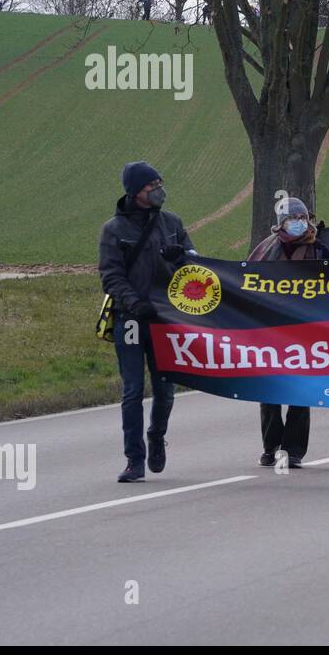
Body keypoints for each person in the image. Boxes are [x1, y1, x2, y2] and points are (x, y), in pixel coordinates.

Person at [98, 161, 195, 483]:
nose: (158, 190)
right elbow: (110, 275)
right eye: (151, 185)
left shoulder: (172, 222)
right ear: (135, 191)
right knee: (132, 390)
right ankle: (133, 459)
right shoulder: (114, 229)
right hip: (131, 318)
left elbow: (195, 267)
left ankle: (157, 435)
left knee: (165, 388)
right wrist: (134, 303)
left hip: (166, 318)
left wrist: (181, 256)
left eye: (159, 182)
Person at [247, 197, 329, 468]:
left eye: (302, 218)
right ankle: (270, 445)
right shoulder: (265, 249)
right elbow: (246, 282)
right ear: (280, 223)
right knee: (269, 390)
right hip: (270, 331)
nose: (298, 223)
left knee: (299, 391)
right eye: (292, 219)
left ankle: (293, 449)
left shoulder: (318, 251)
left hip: (305, 331)